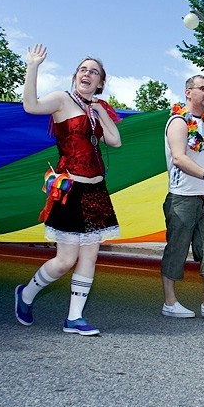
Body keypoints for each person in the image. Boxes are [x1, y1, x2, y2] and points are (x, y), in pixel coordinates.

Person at [15, 44, 122, 336]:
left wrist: (101, 112)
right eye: (83, 70)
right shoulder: (63, 100)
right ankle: (25, 294)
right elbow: (31, 106)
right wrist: (33, 66)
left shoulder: (96, 109)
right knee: (65, 260)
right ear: (75, 76)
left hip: (96, 191)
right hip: (70, 188)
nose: (87, 74)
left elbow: (115, 141)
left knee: (90, 256)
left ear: (100, 82)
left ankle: (74, 318)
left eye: (94, 72)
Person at [160, 75, 204, 321]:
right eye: (202, 88)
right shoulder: (178, 122)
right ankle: (170, 302)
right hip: (182, 198)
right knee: (176, 250)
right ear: (188, 92)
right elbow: (179, 158)